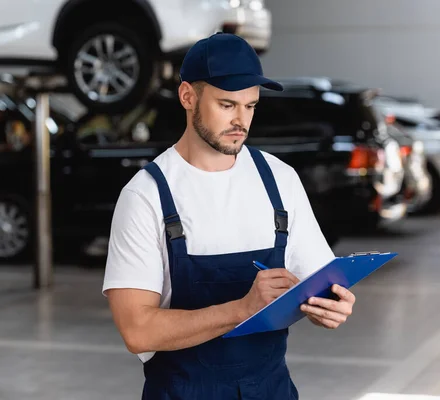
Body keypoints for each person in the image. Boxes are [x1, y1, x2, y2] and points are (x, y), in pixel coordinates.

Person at [102, 33, 356, 399]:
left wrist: (330, 304)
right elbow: (137, 330)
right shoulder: (146, 195)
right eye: (226, 105)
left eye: (250, 106)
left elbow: (318, 278)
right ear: (188, 96)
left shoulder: (279, 180)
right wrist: (242, 309)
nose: (241, 120)